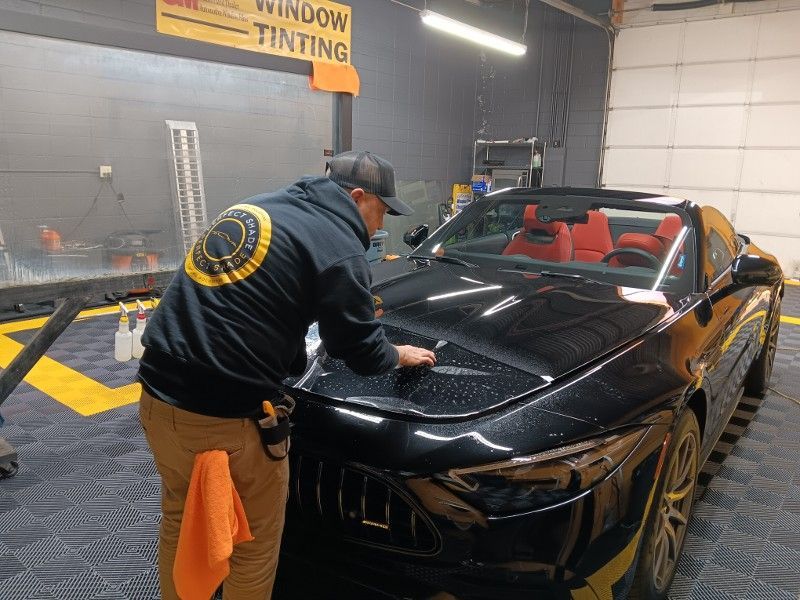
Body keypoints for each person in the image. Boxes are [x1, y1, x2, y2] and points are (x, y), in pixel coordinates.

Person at [137, 150, 437, 600]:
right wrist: (397, 354)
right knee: (252, 545)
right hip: (226, 418)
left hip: (156, 398)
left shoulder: (261, 206)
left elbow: (247, 300)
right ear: (358, 197)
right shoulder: (339, 246)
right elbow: (358, 351)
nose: (381, 226)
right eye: (382, 211)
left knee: (181, 519)